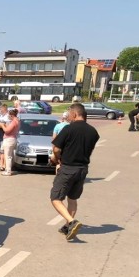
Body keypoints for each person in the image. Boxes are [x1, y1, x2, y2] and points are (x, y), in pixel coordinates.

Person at [50, 103, 100, 241]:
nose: (69, 116)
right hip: (83, 169)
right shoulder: (93, 131)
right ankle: (67, 226)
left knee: (55, 198)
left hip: (68, 168)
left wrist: (57, 159)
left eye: (70, 113)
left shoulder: (68, 129)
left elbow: (56, 148)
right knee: (72, 199)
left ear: (74, 114)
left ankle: (71, 222)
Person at [0, 108, 19, 176]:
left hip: (9, 140)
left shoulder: (14, 122)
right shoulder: (17, 121)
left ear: (11, 116)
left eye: (8, 115)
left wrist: (2, 125)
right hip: (13, 139)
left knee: (8, 156)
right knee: (11, 156)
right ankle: (9, 169)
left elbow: (7, 131)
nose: (7, 117)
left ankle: (8, 171)